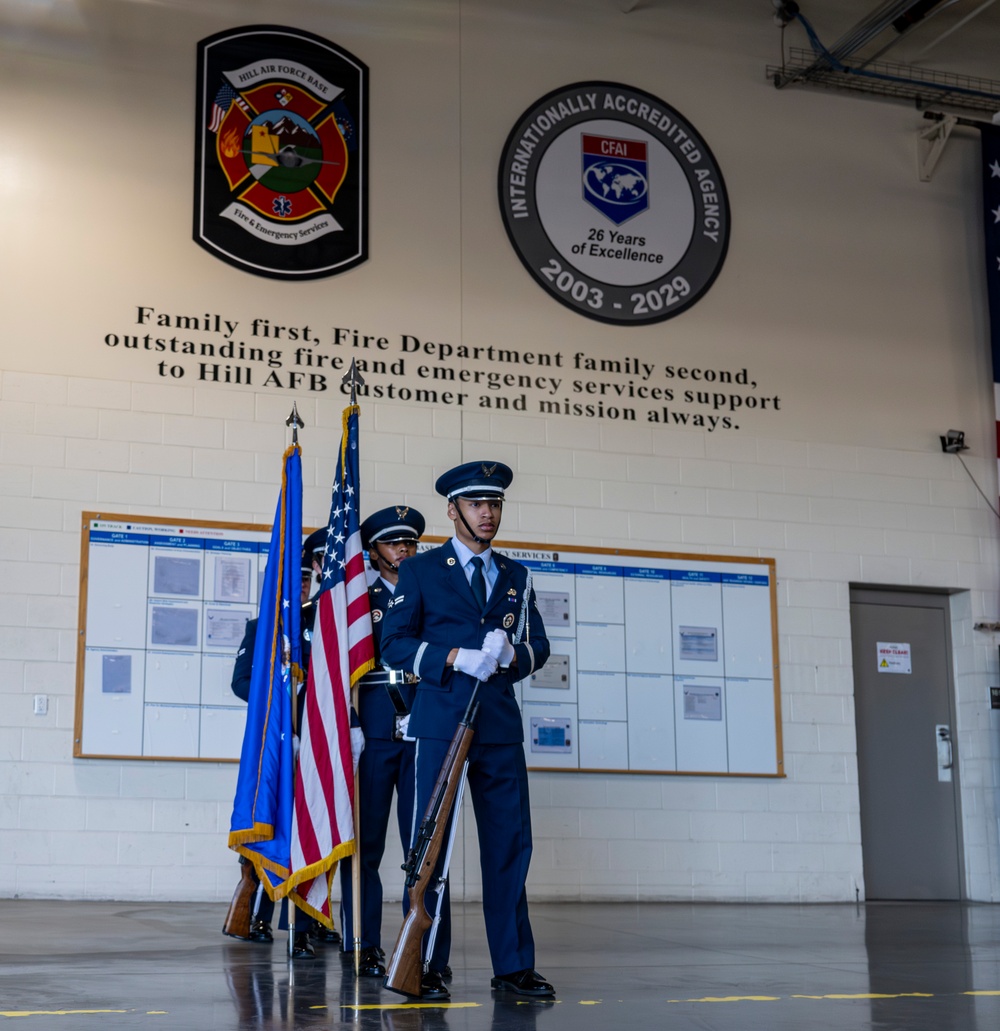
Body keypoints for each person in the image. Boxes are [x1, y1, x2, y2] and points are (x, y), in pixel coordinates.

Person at [380, 460, 554, 999]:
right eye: (477, 504)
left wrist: (511, 657)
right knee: (431, 846)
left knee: (508, 846)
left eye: (495, 504)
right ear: (452, 511)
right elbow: (394, 645)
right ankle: (427, 961)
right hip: (441, 724)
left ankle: (513, 966)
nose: (488, 513)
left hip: (498, 727)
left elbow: (539, 648)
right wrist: (455, 656)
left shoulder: (516, 577)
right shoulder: (422, 571)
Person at [338, 505, 451, 983]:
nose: (403, 550)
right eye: (392, 544)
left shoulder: (428, 592)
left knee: (424, 849)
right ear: (374, 551)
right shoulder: (358, 601)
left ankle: (426, 953)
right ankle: (362, 943)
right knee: (366, 847)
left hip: (420, 729)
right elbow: (337, 668)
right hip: (375, 731)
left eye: (409, 543)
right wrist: (351, 722)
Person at [224, 533, 341, 959]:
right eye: (298, 580)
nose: (304, 587)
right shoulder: (263, 628)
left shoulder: (321, 628)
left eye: (309, 580)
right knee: (268, 830)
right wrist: (278, 699)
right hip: (276, 746)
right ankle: (252, 916)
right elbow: (241, 683)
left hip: (311, 746)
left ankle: (310, 920)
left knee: (313, 831)